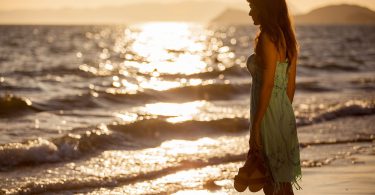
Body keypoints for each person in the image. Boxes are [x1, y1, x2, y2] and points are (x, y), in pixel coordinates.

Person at [235, 0, 303, 194]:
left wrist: (257, 125)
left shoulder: (267, 37)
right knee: (281, 181)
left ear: (264, 8)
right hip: (282, 112)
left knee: (270, 182)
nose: (250, 13)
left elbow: (267, 85)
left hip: (267, 115)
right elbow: (290, 87)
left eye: (252, 7)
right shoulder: (288, 39)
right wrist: (282, 117)